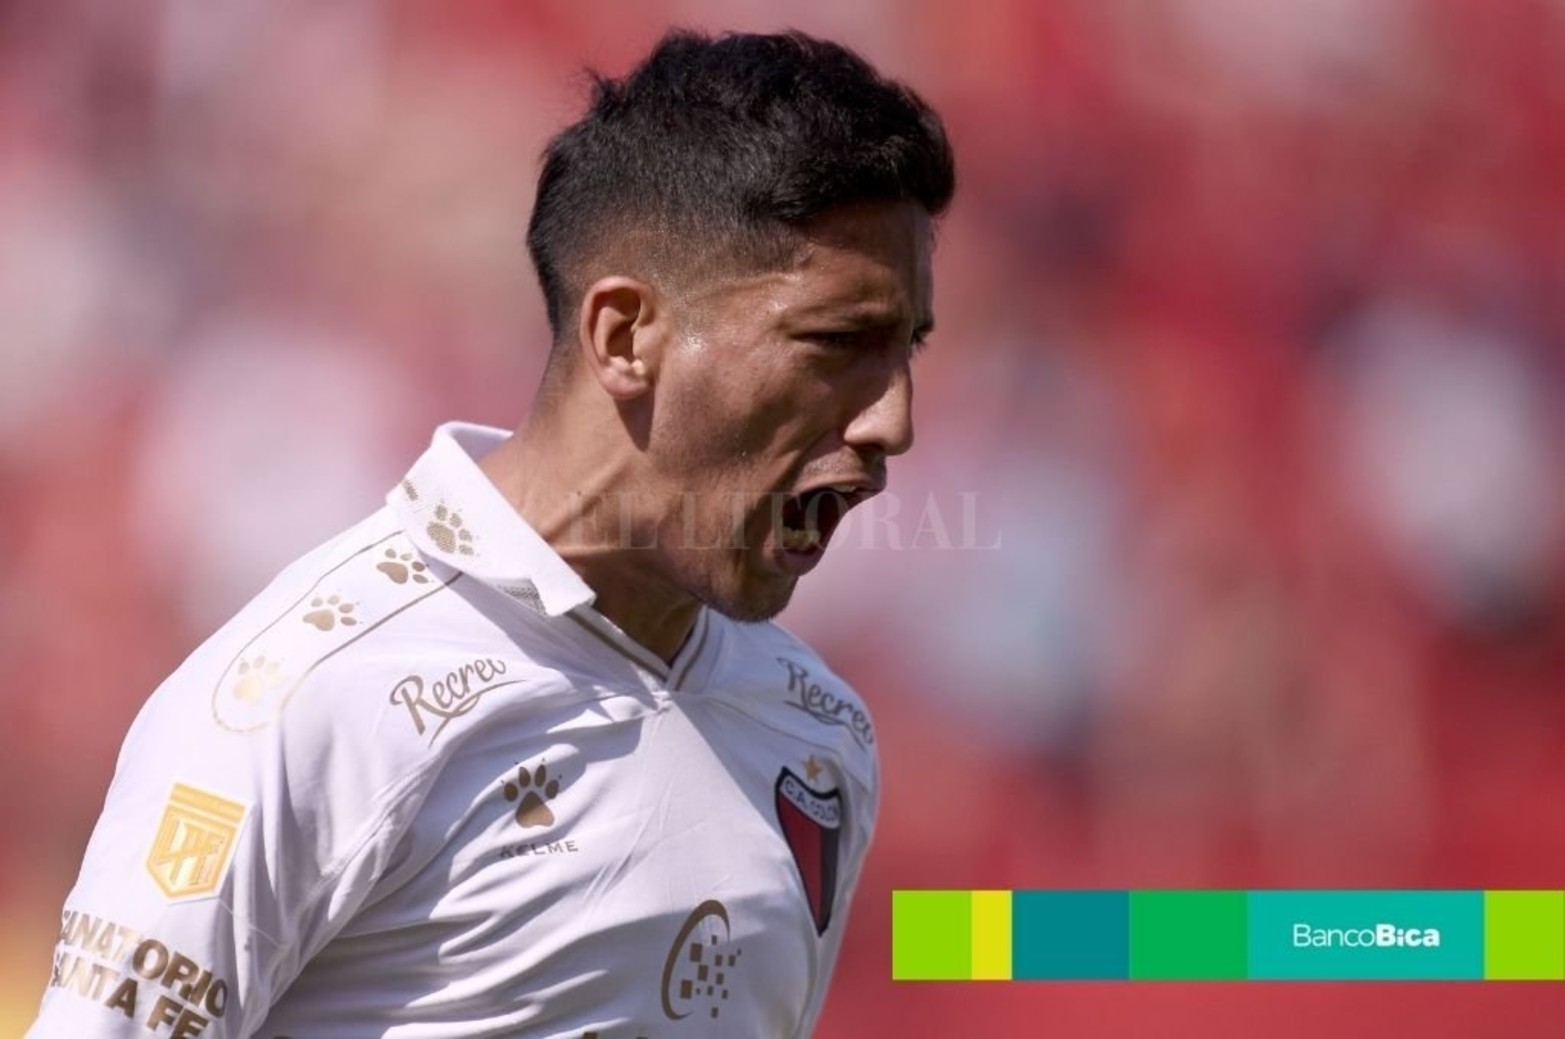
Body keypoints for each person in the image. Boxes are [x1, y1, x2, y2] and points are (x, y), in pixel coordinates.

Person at [29, 27, 954, 1039]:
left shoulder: (818, 735)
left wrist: (1094, 937)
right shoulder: (311, 701)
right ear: (625, 335)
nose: (893, 422)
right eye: (837, 343)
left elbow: (934, 948)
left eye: (905, 351)